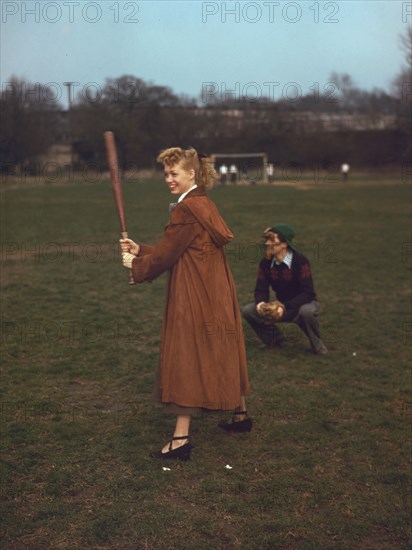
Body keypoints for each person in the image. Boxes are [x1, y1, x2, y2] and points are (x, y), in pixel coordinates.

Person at [120, 147, 251, 461]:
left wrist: (135, 265)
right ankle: (240, 415)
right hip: (216, 290)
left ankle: (180, 440)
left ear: (191, 174)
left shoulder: (186, 209)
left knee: (187, 355)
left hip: (196, 293)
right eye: (166, 174)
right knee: (221, 345)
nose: (168, 179)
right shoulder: (202, 203)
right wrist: (140, 250)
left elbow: (166, 257)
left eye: (174, 173)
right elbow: (178, 249)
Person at [242, 224, 328, 355]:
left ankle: (318, 346)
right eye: (266, 240)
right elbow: (261, 289)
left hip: (303, 304)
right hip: (281, 306)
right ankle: (275, 340)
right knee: (248, 311)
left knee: (306, 312)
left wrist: (284, 306)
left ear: (284, 244)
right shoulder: (265, 263)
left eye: (272, 241)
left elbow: (308, 293)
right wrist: (261, 304)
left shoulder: (300, 261)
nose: (267, 244)